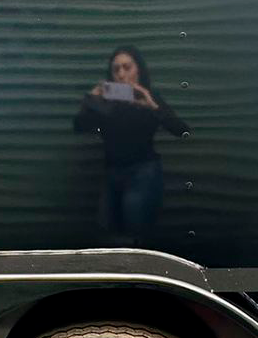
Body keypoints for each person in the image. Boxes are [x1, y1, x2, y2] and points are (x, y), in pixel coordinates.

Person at [73, 46, 188, 244]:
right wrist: (91, 100)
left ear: (138, 70)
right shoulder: (106, 102)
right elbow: (79, 126)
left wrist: (152, 105)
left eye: (127, 67)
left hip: (143, 173)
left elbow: (180, 130)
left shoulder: (148, 97)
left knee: (136, 234)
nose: (121, 74)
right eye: (116, 69)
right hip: (112, 174)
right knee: (106, 233)